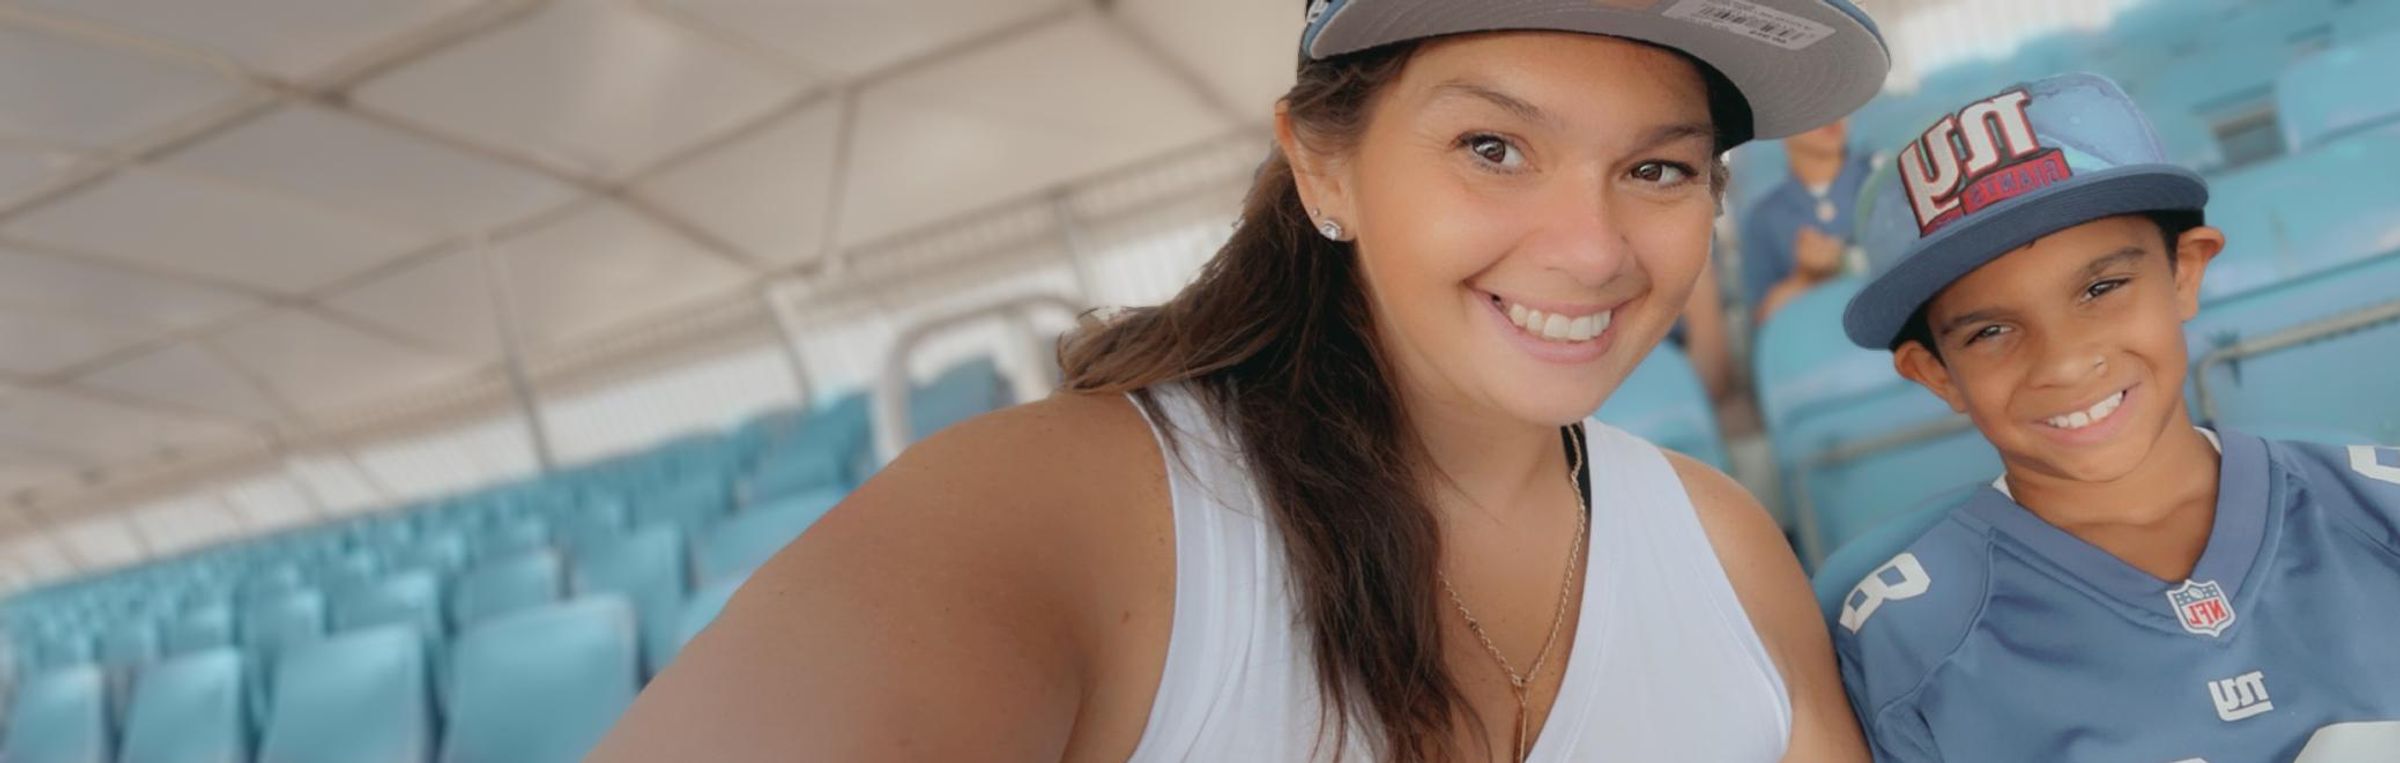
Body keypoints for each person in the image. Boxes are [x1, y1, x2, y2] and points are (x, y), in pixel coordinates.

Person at [593, 1, 1889, 760]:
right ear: (1321, 166)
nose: (1592, 245)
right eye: (1493, 145)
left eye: (1657, 169)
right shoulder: (1071, 512)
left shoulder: (1725, 549)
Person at [1830, 73, 2400, 762]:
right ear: (1934, 372)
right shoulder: (1909, 641)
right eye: (1989, 331)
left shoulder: (2379, 511)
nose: (2065, 362)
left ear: (2185, 273)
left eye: (2101, 288)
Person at [1742, 117, 1875, 323]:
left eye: (1836, 96)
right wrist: (1805, 278)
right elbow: (1764, 322)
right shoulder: (1764, 219)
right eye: (1810, 104)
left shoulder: (1883, 178)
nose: (1831, 112)